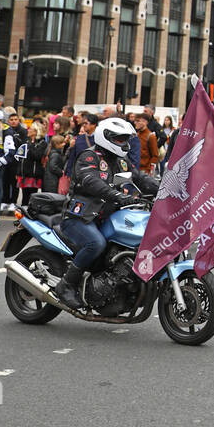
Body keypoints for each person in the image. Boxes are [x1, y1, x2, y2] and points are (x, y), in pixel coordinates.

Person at [55, 118, 159, 310]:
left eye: (125, 139)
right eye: (119, 139)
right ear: (105, 137)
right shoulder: (89, 156)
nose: (124, 144)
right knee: (96, 243)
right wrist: (118, 195)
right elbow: (92, 182)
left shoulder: (121, 161)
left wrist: (165, 190)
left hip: (106, 216)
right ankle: (66, 285)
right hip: (81, 216)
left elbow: (140, 178)